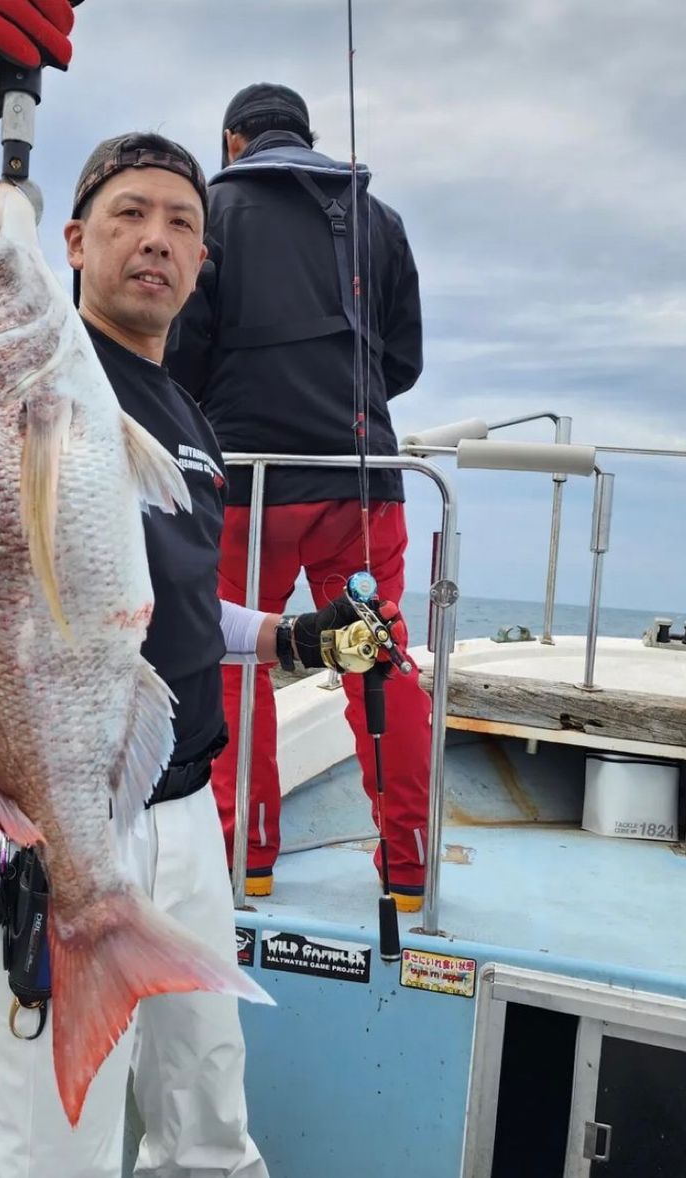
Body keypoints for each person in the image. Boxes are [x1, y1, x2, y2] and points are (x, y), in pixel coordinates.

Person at [0, 9, 411, 1177]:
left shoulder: (190, 422)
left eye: (182, 222)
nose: (157, 240)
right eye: (129, 215)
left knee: (208, 1118)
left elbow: (170, 613)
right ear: (70, 241)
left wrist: (298, 637)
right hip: (56, 825)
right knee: (49, 1151)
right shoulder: (40, 360)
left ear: (204, 260)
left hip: (184, 816)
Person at [168, 83, 433, 912]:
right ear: (307, 138)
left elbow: (178, 356)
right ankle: (408, 869)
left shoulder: (207, 212)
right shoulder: (378, 219)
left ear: (232, 142)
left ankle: (245, 861)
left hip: (244, 488)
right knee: (375, 658)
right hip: (362, 489)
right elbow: (403, 364)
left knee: (234, 664)